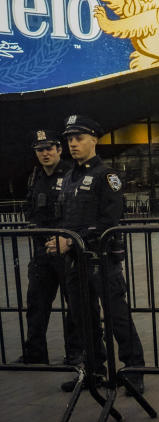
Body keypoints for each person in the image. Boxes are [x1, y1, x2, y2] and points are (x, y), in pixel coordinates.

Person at [47, 115, 146, 395]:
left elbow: (109, 220)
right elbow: (64, 217)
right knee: (83, 318)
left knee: (117, 316)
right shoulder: (68, 178)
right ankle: (94, 371)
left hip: (101, 259)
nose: (73, 144)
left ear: (94, 140)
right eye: (69, 139)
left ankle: (133, 371)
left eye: (79, 138)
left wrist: (71, 240)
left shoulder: (107, 176)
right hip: (75, 261)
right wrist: (60, 239)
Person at [20, 130, 81, 365]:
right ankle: (35, 353)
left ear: (58, 150)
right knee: (36, 303)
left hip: (65, 250)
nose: (45, 153)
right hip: (42, 251)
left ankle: (76, 352)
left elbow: (76, 211)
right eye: (40, 150)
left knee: (74, 304)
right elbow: (30, 206)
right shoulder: (36, 176)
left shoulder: (71, 174)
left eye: (49, 149)